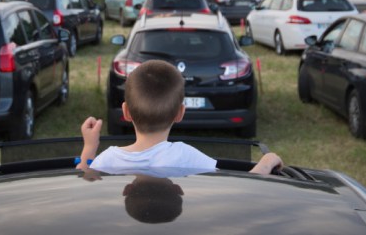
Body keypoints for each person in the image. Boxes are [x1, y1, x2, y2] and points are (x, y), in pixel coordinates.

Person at [77, 60, 282, 175]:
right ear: (180, 113)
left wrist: (90, 147)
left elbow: (83, 178)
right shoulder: (186, 156)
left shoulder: (109, 159)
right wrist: (266, 162)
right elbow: (240, 187)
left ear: (126, 112)